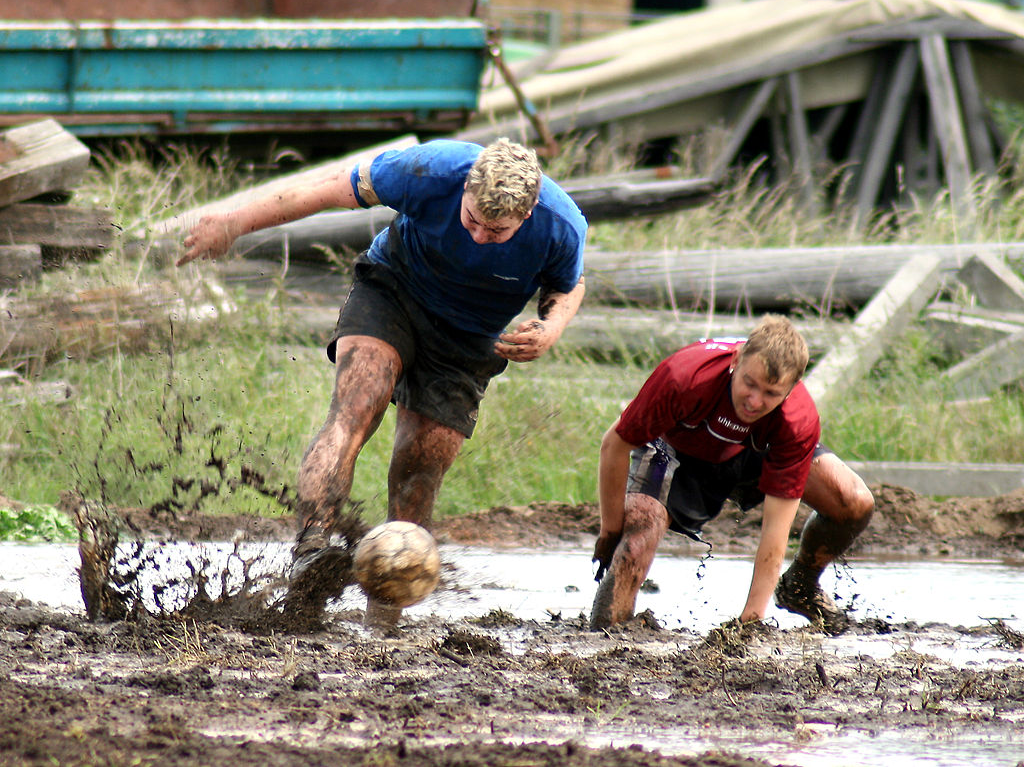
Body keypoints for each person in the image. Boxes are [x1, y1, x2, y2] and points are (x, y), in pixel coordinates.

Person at [177, 138, 587, 625]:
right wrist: (233, 223)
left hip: (469, 338)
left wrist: (551, 327)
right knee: (356, 408)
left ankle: (384, 620)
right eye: (471, 219)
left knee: (420, 467)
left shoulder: (562, 226)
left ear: (529, 212)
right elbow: (327, 189)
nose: (479, 236)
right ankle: (310, 555)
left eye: (496, 231)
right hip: (393, 290)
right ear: (463, 189)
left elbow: (568, 284)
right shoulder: (427, 171)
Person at [589, 315, 874, 634]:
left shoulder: (797, 420)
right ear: (736, 361)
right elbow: (614, 445)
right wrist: (611, 531)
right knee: (639, 529)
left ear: (792, 389)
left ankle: (801, 586)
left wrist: (750, 624)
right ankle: (608, 634)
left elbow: (775, 532)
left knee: (855, 500)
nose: (754, 401)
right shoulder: (683, 377)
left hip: (754, 450)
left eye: (770, 393)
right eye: (749, 383)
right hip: (677, 447)